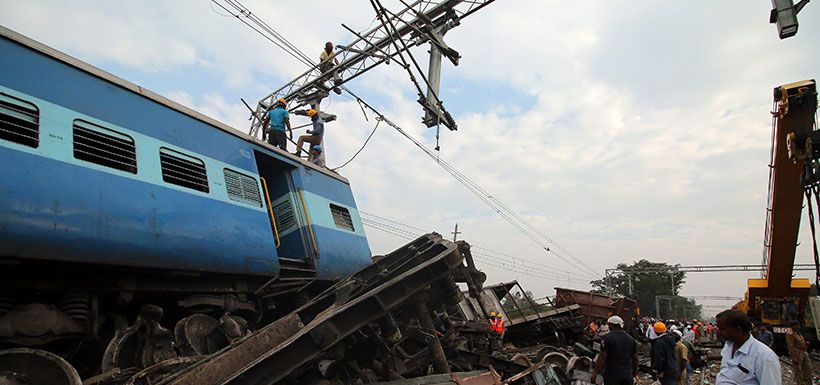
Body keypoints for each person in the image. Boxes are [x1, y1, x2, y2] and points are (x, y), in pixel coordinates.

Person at [714, 310, 781, 385]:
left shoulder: (764, 356)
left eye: (722, 329)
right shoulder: (728, 346)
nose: (718, 332)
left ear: (738, 330)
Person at [591, 316, 637, 385]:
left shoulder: (607, 338)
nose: (608, 327)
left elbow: (602, 356)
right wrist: (634, 374)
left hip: (612, 376)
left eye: (609, 325)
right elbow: (635, 358)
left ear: (612, 325)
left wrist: (595, 372)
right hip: (627, 376)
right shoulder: (631, 339)